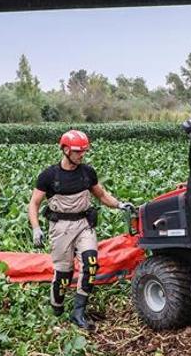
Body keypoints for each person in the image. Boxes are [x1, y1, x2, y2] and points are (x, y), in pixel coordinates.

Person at [28, 130, 133, 329]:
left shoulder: (87, 172)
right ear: (66, 150)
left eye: (84, 151)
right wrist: (36, 228)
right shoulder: (49, 176)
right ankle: (57, 307)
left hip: (84, 225)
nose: (81, 154)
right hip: (61, 228)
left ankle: (78, 312)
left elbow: (102, 195)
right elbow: (33, 204)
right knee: (64, 273)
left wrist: (120, 205)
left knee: (91, 263)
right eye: (78, 151)